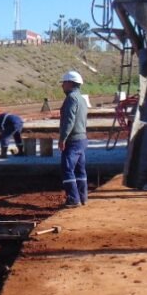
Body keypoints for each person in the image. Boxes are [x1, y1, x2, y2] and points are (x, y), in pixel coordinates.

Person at [58, 71, 88, 207]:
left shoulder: (71, 98)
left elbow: (69, 121)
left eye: (63, 83)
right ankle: (83, 197)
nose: (62, 86)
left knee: (67, 168)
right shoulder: (81, 98)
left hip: (73, 140)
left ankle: (73, 199)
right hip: (82, 139)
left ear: (70, 83)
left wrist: (62, 138)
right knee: (80, 170)